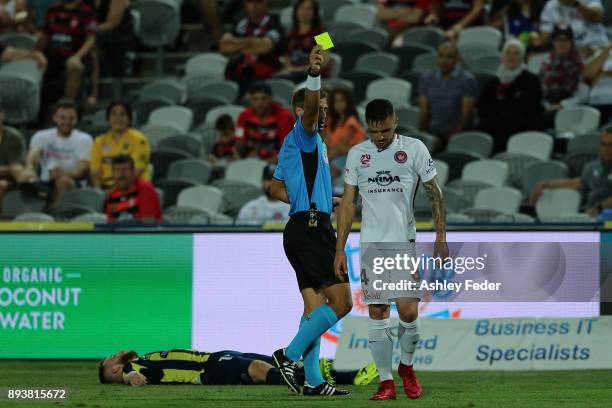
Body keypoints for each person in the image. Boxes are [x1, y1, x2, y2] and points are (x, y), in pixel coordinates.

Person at [335, 98, 448, 400]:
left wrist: (441, 237)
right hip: (371, 245)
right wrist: (339, 248)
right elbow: (347, 204)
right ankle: (385, 382)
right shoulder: (358, 155)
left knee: (409, 312)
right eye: (374, 132)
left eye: (385, 130)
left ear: (395, 121)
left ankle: (406, 367)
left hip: (403, 243)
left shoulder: (414, 149)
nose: (380, 136)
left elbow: (434, 193)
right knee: (378, 312)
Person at [268, 45, 352, 397]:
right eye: (320, 109)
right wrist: (314, 73)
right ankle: (288, 356)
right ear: (303, 110)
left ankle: (314, 381)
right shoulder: (303, 134)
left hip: (301, 226)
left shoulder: (300, 143)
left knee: (314, 308)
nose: (324, 114)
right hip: (313, 229)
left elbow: (274, 187)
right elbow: (312, 106)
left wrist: (317, 201)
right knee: (343, 303)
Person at [98, 349, 378, 387]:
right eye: (109, 360)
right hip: (207, 370)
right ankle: (350, 377)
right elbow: (132, 377)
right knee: (258, 368)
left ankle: (347, 372)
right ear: (113, 370)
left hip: (214, 356)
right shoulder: (132, 368)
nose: (113, 356)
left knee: (283, 361)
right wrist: (129, 376)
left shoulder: (139, 358)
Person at [22, 99, 92, 207]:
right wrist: (29, 168)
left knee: (62, 181)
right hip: (45, 181)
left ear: (76, 120)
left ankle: (55, 214)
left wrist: (63, 173)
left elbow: (82, 169)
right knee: (25, 178)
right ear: (55, 118)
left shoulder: (84, 139)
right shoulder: (42, 136)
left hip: (73, 181)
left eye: (71, 118)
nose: (67, 122)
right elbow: (34, 154)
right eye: (63, 118)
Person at [529, 127, 612, 217]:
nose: (607, 150)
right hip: (592, 219)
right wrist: (545, 184)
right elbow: (577, 183)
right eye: (604, 144)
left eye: (611, 145)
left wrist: (599, 209)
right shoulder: (593, 167)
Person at [478, 39, 543, 153]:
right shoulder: (493, 82)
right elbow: (483, 109)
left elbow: (531, 110)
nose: (511, 56)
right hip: (494, 132)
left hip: (522, 132)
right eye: (508, 52)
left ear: (522, 57)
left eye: (516, 53)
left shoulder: (531, 80)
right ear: (502, 56)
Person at [35, 0, 97, 101]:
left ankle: (67, 106)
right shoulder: (53, 9)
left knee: (74, 67)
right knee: (36, 63)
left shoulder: (86, 11)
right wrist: (34, 53)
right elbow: (45, 34)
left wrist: (77, 57)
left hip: (76, 55)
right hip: (53, 56)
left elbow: (91, 39)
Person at [418, 42, 477, 145]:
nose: (444, 61)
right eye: (441, 56)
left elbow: (466, 117)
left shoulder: (467, 80)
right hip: (433, 133)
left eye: (449, 56)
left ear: (457, 59)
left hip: (458, 135)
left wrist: (449, 140)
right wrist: (423, 138)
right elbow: (424, 114)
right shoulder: (426, 78)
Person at [220, 0, 283, 92]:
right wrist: (251, 42)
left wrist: (236, 45)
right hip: (234, 76)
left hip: (263, 79)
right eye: (250, 2)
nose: (254, 6)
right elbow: (224, 46)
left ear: (266, 3)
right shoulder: (239, 24)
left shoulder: (274, 25)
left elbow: (264, 48)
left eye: (258, 2)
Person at [90, 101, 150, 190]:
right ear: (108, 119)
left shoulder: (139, 139)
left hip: (133, 187)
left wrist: (115, 191)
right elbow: (95, 171)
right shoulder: (99, 141)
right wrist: (98, 191)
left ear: (129, 119)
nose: (118, 118)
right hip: (105, 188)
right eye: (114, 114)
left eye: (122, 114)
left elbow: (137, 170)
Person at [88, 0, 135, 105]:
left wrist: (88, 30)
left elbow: (112, 23)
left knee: (92, 44)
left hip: (117, 35)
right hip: (96, 32)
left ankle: (94, 92)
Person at [235, 82, 294, 161]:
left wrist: (267, 163)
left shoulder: (285, 116)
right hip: (251, 160)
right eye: (255, 99)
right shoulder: (243, 116)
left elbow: (287, 149)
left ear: (271, 99)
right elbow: (239, 140)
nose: (259, 103)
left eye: (264, 98)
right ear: (250, 100)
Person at [277, 0, 328, 82]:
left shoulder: (323, 34)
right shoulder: (289, 36)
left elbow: (325, 62)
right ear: (296, 11)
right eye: (301, 8)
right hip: (293, 75)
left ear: (315, 13)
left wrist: (297, 69)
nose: (305, 12)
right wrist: (291, 69)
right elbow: (286, 61)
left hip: (314, 76)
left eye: (309, 9)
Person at [537, 0, 608, 56]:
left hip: (598, 46)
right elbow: (545, 37)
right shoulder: (550, 6)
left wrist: (575, 3)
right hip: (571, 53)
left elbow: (597, 17)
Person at [104, 154, 161, 224]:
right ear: (112, 173)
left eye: (126, 170)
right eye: (117, 170)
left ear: (133, 172)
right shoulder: (112, 195)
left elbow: (149, 222)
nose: (121, 174)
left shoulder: (145, 189)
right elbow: (110, 224)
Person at [324, 87, 365, 178]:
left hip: (351, 156)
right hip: (336, 154)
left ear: (348, 102)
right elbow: (326, 141)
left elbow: (340, 148)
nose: (338, 104)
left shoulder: (351, 122)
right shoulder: (332, 120)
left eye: (342, 101)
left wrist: (323, 161)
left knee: (333, 166)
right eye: (335, 101)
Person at [0, 103, 26, 211]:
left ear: (2, 115)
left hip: (10, 181)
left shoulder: (14, 138)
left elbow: (16, 168)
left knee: (1, 185)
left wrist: (9, 170)